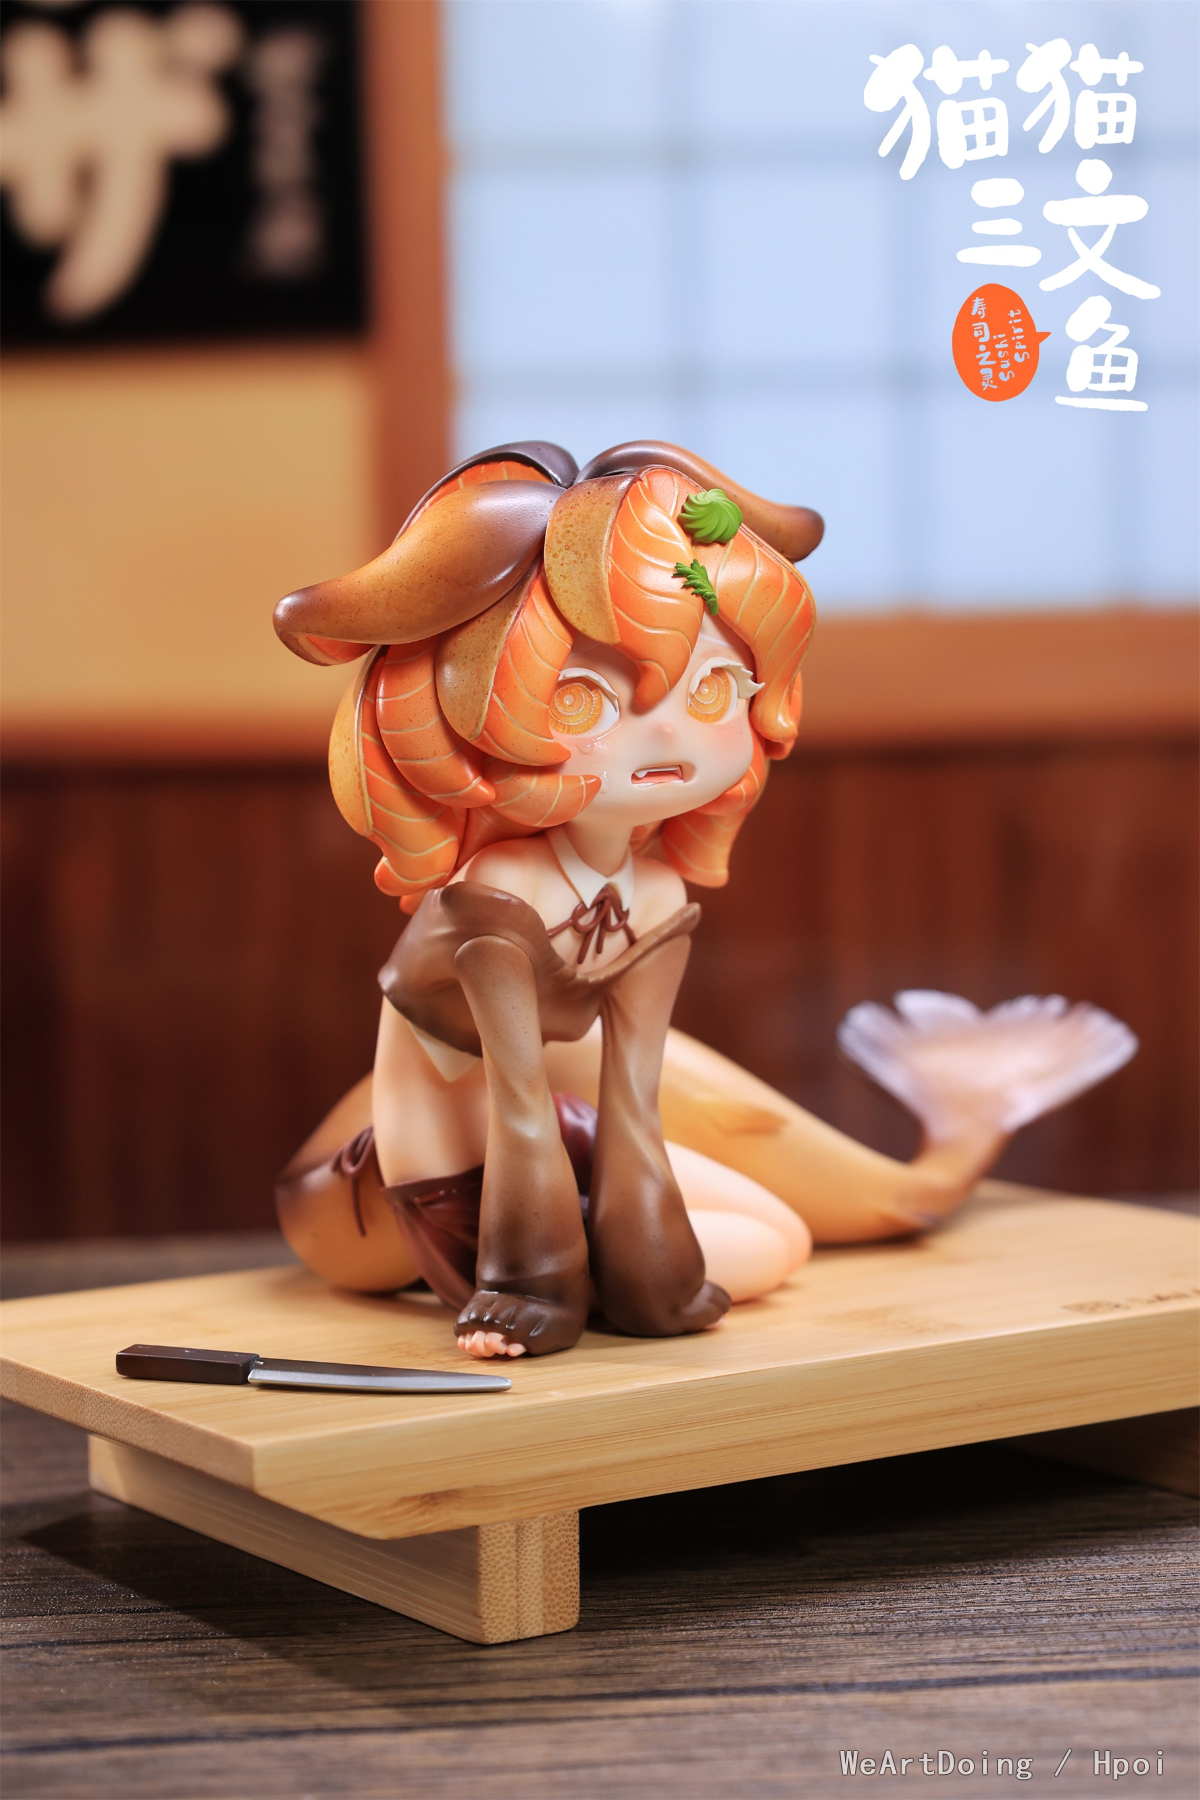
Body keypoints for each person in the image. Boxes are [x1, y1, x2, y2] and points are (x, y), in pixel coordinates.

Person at [272, 440, 1135, 1359]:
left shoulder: (652, 892)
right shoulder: (498, 890)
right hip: (403, 1174)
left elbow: (631, 1100)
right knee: (613, 1195)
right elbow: (512, 1110)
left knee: (777, 1240)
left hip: (555, 1129)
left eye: (715, 686)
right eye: (581, 700)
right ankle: (564, 1264)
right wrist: (520, 1291)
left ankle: (956, 1133)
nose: (668, 734)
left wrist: (653, 1273)